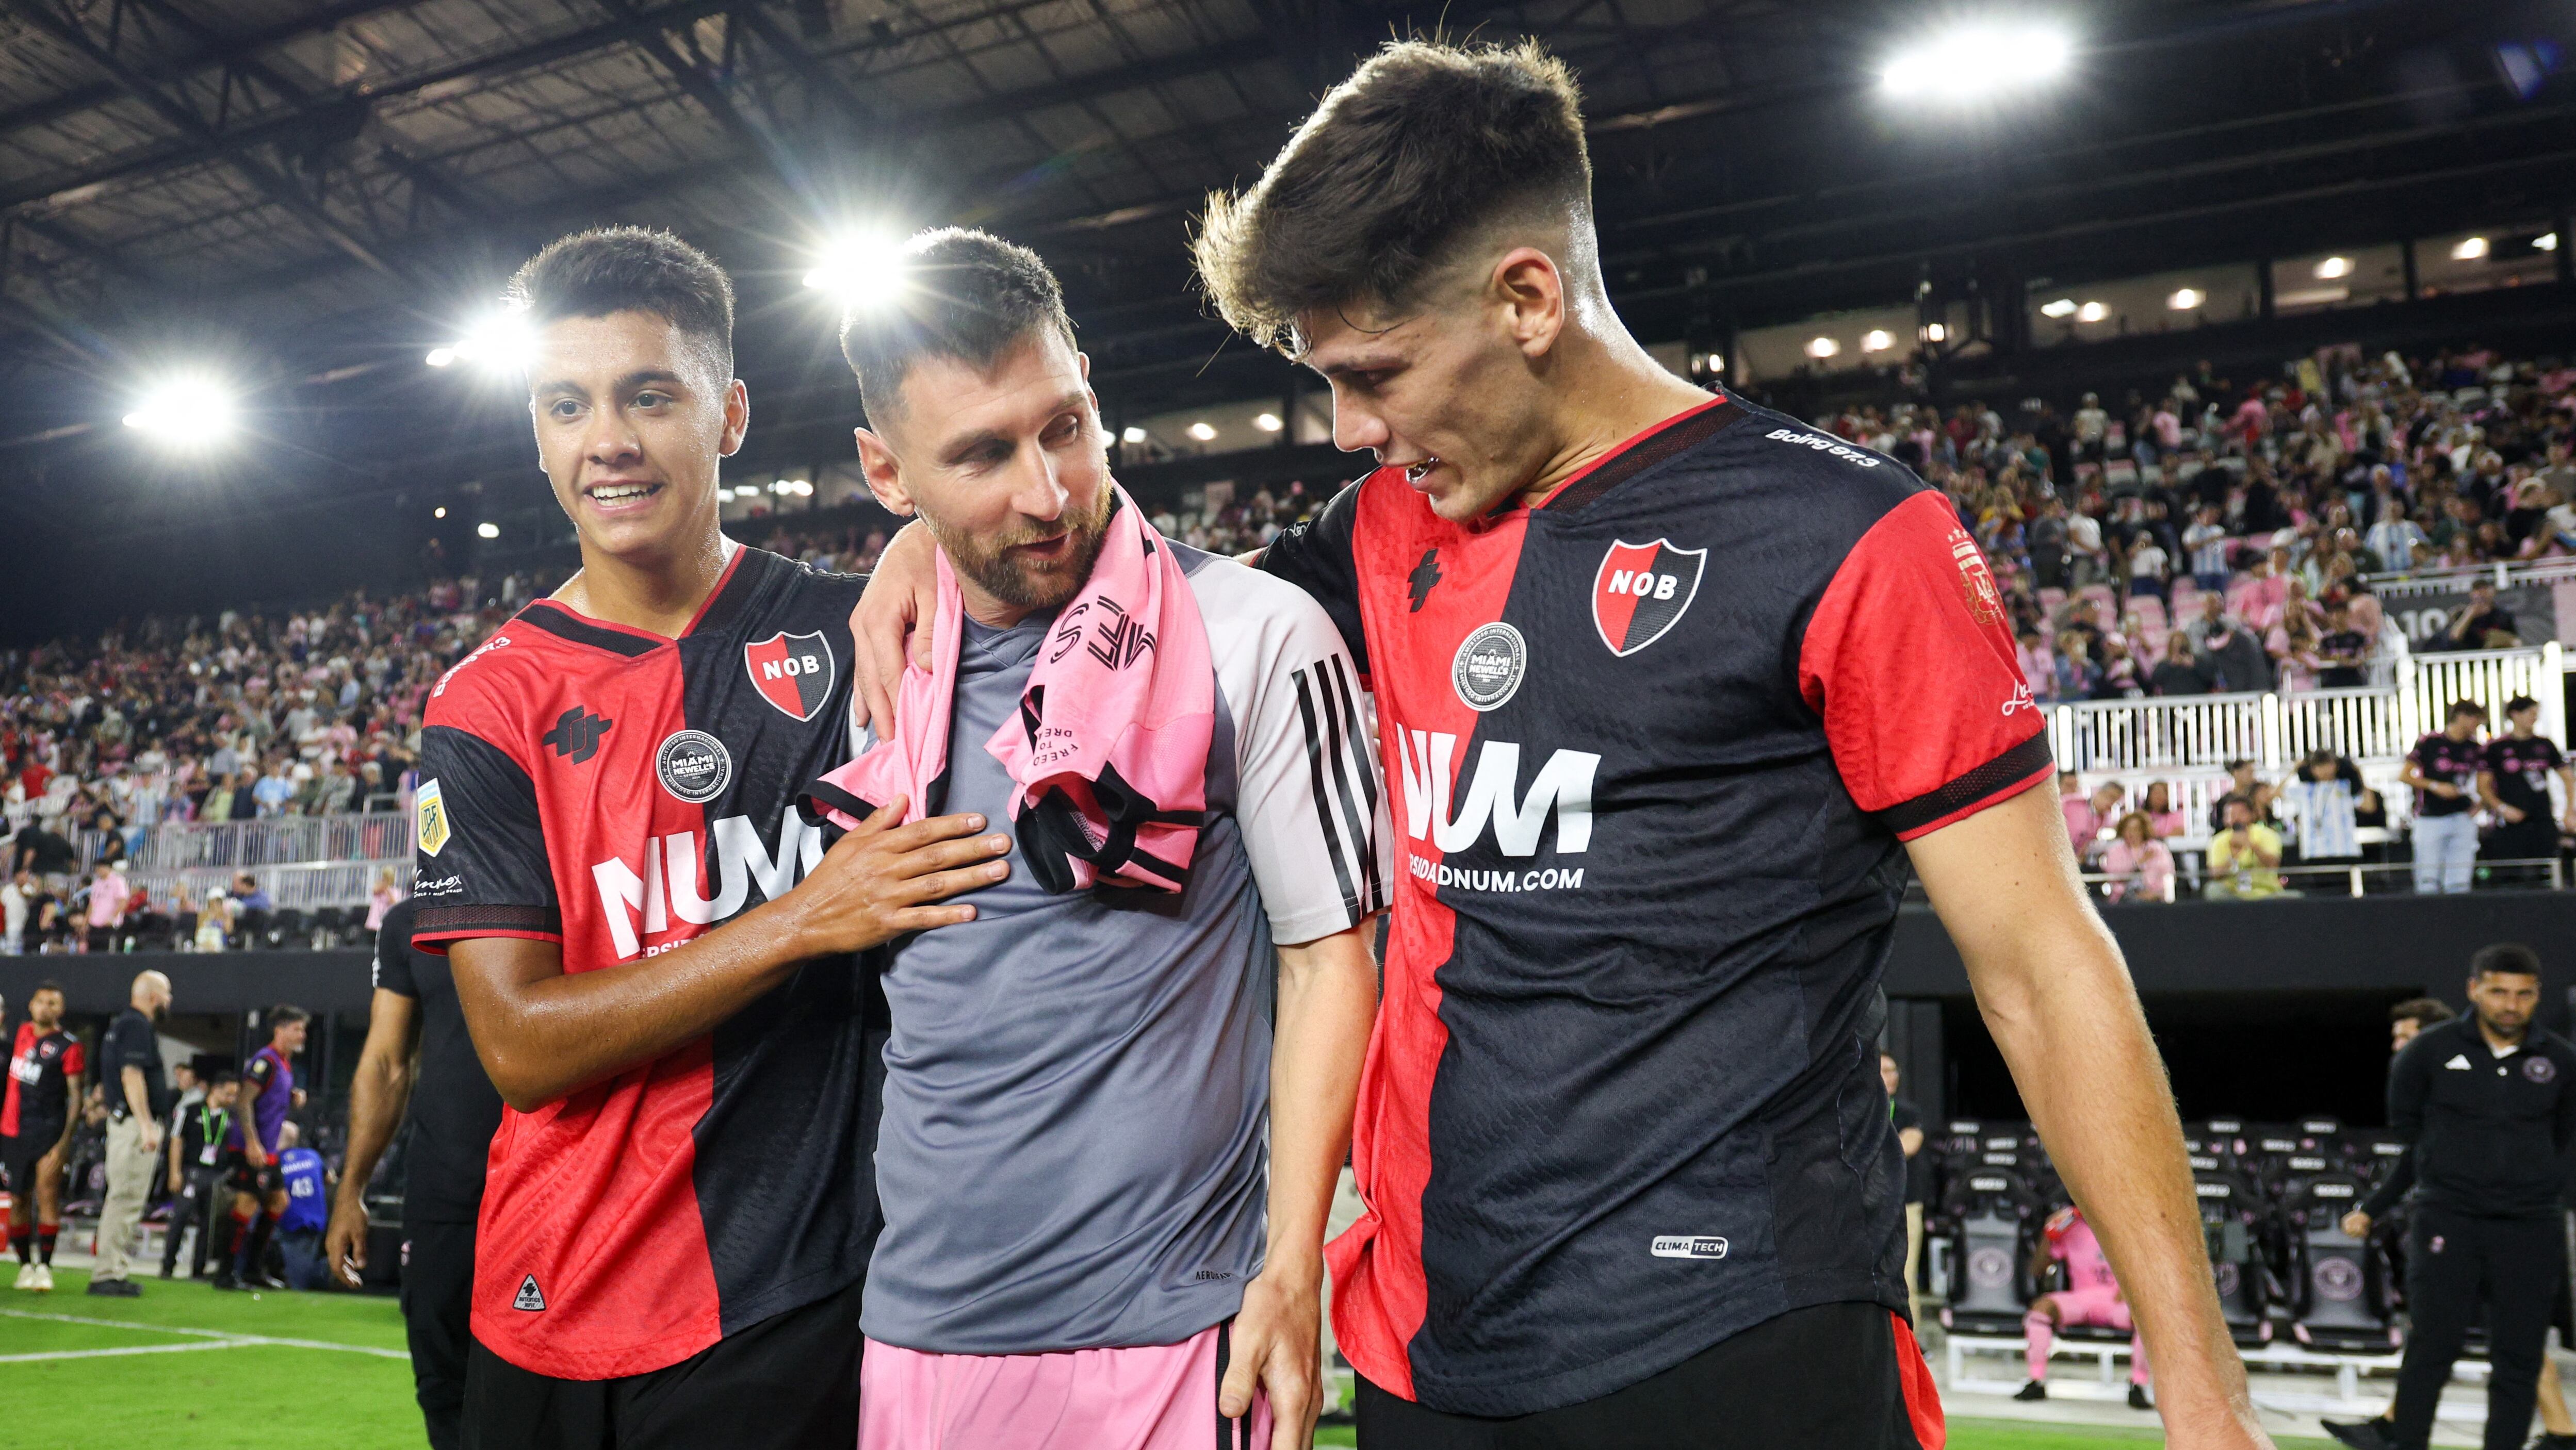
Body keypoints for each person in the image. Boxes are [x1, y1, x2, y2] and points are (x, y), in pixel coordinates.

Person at [860, 38, 2266, 1448]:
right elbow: (1141, 589)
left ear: (1527, 295)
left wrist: (2204, 1402)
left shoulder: (1849, 542)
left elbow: (2040, 969)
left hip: (1732, 1331)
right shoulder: (1380, 532)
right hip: (1428, 1345)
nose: (1349, 430)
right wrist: (920, 540)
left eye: (1377, 372)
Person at [417, 226, 1002, 1450]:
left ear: (728, 414)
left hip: (787, 1296)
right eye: (566, 405)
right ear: (537, 434)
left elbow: (1062, 548)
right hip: (544, 1303)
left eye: (648, 394)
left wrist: (927, 533)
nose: (607, 439)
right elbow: (520, 1044)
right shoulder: (489, 700)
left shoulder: (856, 636)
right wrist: (801, 918)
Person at [821, 228, 1384, 1450]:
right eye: (979, 454)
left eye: (1065, 425)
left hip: (1183, 1337)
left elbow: (1329, 960)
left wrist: (1293, 1267)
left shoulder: (1254, 637)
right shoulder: (874, 674)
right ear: (886, 470)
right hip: (923, 1339)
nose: (1048, 489)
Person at [2326, 945, 2576, 1450]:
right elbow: (2409, 1134)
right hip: (2448, 1219)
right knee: (2430, 1348)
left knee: (2519, 1356)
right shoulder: (2428, 1052)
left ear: (2536, 996)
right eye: (2498, 991)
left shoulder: (2560, 1061)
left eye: (2523, 994)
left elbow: (2561, 1135)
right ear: (2473, 989)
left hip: (2529, 1225)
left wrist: (2519, 1178)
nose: (2510, 1004)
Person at [327, 896, 506, 1450]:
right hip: (441, 1187)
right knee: (441, 1384)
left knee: (549, 1390)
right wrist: (350, 1189)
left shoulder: (561, 884)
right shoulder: (410, 921)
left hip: (549, 1181)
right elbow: (385, 1061)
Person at [2015, 1205, 2153, 1410]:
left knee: (2147, 1317)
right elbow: (2037, 1270)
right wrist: (2049, 1234)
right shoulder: (2071, 1226)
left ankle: (2139, 1384)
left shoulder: (2131, 1225)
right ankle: (2036, 1380)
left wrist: (2133, 1287)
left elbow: (2151, 1266)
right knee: (2041, 1308)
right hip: (2081, 1298)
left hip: (2118, 1301)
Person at [90, 968, 172, 1296]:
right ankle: (108, 1273)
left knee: (123, 1198)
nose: (169, 1000)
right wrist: (146, 1124)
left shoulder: (122, 1023)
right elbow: (132, 1075)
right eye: (167, 994)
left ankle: (111, 1269)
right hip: (133, 1125)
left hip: (125, 1122)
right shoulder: (137, 1024)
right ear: (153, 997)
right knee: (125, 1198)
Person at [213, 1003, 306, 1291]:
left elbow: (266, 1099)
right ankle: (225, 1273)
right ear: (280, 1030)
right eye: (297, 1029)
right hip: (251, 1148)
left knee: (278, 1202)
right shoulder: (265, 1061)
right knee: (247, 1203)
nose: (302, 1035)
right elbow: (243, 1101)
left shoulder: (284, 1064)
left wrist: (290, 1097)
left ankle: (253, 1269)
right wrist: (252, 1142)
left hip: (269, 1149)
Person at [3, 980, 82, 1291]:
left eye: (53, 1002)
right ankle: (24, 1266)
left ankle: (45, 1267)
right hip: (12, 1132)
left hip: (47, 1132)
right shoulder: (20, 1035)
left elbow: (76, 1098)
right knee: (18, 1199)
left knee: (47, 1196)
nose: (45, 1007)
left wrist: (64, 1144)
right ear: (30, 1005)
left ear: (61, 1009)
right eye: (40, 1001)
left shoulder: (69, 1046)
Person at [2477, 695, 2574, 872]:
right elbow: (2483, 786)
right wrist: (2503, 809)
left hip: (2542, 819)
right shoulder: (2496, 747)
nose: (2534, 718)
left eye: (2536, 713)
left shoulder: (2544, 744)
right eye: (2530, 713)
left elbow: (2567, 778)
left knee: (2547, 870)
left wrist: (2569, 811)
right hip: (2509, 823)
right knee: (2511, 873)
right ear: (2515, 715)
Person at [160, 1069, 240, 1281]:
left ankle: (198, 1269)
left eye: (235, 1095)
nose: (232, 1099)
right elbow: (177, 1141)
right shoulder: (191, 1110)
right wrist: (175, 1172)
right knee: (180, 1217)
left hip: (217, 1175)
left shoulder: (232, 1118)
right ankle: (168, 1266)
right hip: (191, 1172)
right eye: (229, 1094)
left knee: (209, 1223)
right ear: (216, 1090)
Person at [2400, 700, 2486, 895]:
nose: (2477, 727)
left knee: (2460, 881)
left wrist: (2480, 805)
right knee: (2428, 879)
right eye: (2476, 721)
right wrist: (2435, 786)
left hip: (2463, 816)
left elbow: (2485, 782)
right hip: (2430, 817)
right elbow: (2405, 775)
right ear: (2462, 717)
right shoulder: (2430, 742)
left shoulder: (2475, 748)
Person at [1881, 1052, 1929, 1324]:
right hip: (1865, 1203)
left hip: (1905, 1204)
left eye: (1893, 1070)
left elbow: (1909, 1145)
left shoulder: (1908, 1111)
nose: (1891, 1076)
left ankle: (1911, 1339)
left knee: (1905, 1273)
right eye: (1884, 1071)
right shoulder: (1856, 1109)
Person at [271, 1122, 331, 1290]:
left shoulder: (276, 1161)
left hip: (290, 1223)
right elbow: (330, 1178)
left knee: (297, 1280)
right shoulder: (313, 1156)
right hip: (315, 1220)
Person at [2203, 796, 2290, 900]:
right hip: (2233, 893)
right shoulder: (2218, 841)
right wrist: (2234, 856)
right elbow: (2215, 875)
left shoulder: (2268, 835)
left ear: (2252, 815)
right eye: (2231, 815)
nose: (2236, 819)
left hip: (2266, 892)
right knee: (2212, 889)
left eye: (2241, 814)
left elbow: (2273, 865)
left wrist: (2252, 845)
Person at [2099, 813, 2175, 903]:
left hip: (2155, 896)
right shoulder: (2115, 850)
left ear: (2143, 830)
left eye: (2136, 829)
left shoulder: (2158, 848)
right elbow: (2114, 874)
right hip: (2123, 897)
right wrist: (2139, 863)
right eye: (2127, 829)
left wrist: (2155, 892)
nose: (2131, 833)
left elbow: (2167, 872)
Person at [2441, 580, 2517, 651]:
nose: (2480, 594)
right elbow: (2454, 637)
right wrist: (2469, 615)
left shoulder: (2503, 616)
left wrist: (2501, 639)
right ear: (2471, 594)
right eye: (2477, 590)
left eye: (2484, 589)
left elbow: (2515, 641)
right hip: (2468, 657)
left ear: (2492, 592)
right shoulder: (2460, 614)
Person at [80, 858, 127, 952]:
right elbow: (92, 904)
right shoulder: (97, 883)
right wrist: (85, 923)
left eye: (100, 868)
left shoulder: (118, 881)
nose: (98, 870)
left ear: (108, 868)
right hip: (94, 924)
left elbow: (123, 902)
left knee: (105, 953)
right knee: (92, 952)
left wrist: (112, 918)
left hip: (108, 925)